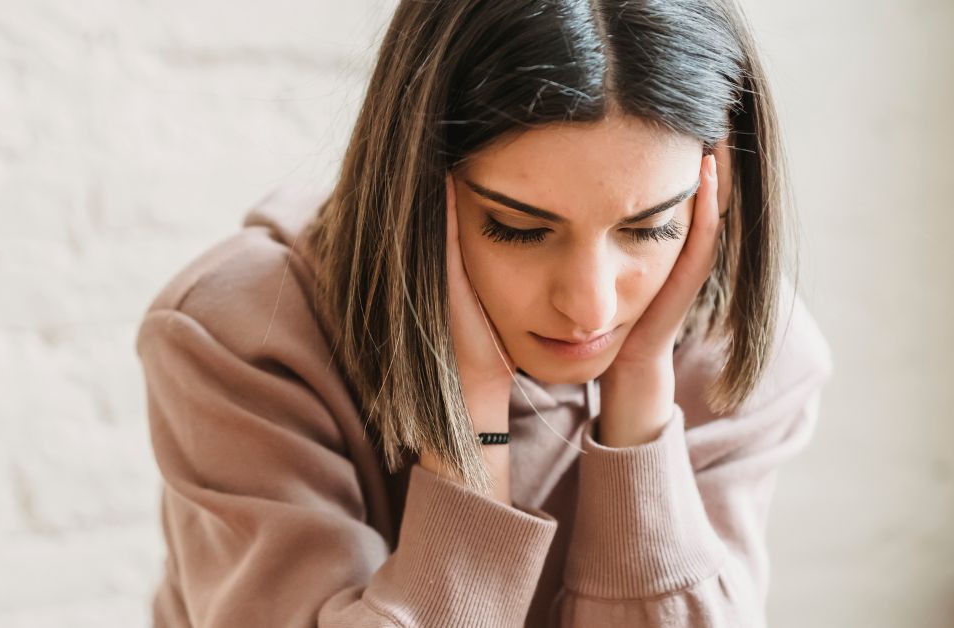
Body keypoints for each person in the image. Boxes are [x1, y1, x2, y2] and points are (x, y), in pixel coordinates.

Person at [134, 0, 834, 626]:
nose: (590, 305)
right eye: (519, 229)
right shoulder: (241, 341)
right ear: (410, 186)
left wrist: (641, 412)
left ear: (719, 188)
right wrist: (466, 429)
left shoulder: (745, 353)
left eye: (649, 227)